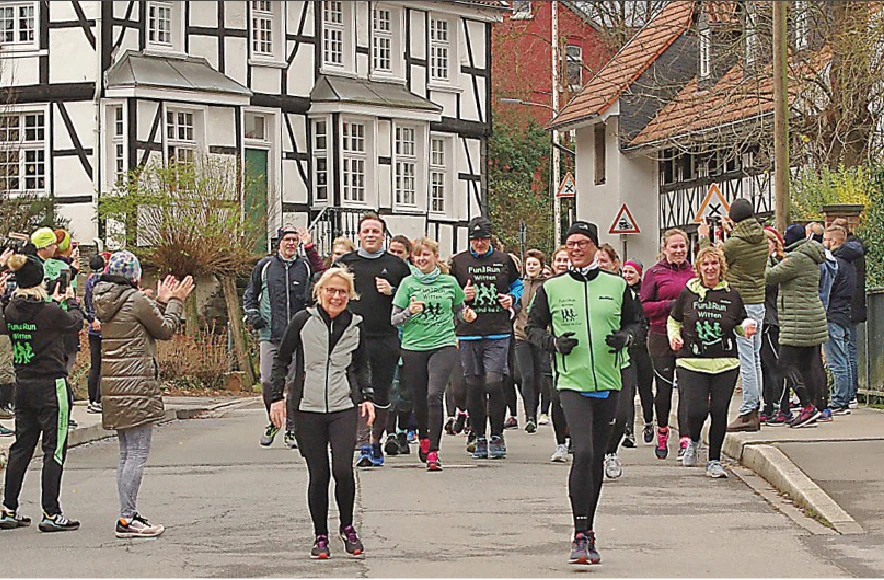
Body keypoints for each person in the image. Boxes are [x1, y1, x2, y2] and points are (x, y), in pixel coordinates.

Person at [527, 221, 641, 565]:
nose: (575, 249)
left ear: (594, 246)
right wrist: (553, 343)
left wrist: (626, 339)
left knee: (596, 457)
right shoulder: (553, 287)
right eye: (570, 244)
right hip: (572, 382)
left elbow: (637, 324)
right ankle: (579, 534)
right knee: (585, 453)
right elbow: (531, 327)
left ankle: (589, 529)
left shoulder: (617, 286)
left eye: (582, 243)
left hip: (609, 381)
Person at [268, 268, 375, 559]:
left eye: (342, 291)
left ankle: (348, 527)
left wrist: (367, 397)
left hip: (342, 406)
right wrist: (275, 398)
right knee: (319, 475)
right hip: (307, 408)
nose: (337, 296)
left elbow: (362, 363)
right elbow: (282, 359)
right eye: (331, 290)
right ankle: (320, 535)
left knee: (343, 469)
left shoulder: (355, 324)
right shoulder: (302, 321)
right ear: (320, 292)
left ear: (350, 295)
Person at [92, 251, 193, 538]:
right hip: (136, 386)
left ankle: (127, 514)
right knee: (136, 452)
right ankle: (127, 518)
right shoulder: (135, 299)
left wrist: (159, 301)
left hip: (114, 386)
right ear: (135, 276)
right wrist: (176, 301)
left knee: (126, 453)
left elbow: (141, 323)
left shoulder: (106, 299)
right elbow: (164, 329)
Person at [0, 253, 84, 532]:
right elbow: (74, 322)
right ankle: (51, 511)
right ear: (41, 281)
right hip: (51, 385)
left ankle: (8, 508)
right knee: (54, 449)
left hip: (23, 385)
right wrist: (70, 300)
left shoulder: (11, 310)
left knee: (21, 447)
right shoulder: (49, 311)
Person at [667, 246, 757, 478]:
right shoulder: (688, 293)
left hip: (724, 362)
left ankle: (714, 460)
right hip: (691, 361)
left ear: (721, 267)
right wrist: (674, 336)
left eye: (714, 264)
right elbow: (674, 320)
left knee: (719, 410)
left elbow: (739, 322)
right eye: (705, 264)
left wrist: (747, 327)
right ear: (698, 268)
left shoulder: (731, 295)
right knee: (696, 410)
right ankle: (694, 440)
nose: (710, 268)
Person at [392, 238, 476, 471]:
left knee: (434, 395)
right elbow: (394, 319)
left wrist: (467, 316)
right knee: (419, 399)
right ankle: (424, 438)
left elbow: (459, 311)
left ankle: (434, 452)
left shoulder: (449, 283)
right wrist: (410, 311)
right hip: (414, 346)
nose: (421, 259)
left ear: (435, 257)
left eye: (426, 255)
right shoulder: (407, 284)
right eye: (417, 256)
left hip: (444, 344)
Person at [337, 213, 411, 467]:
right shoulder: (344, 264)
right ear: (359, 235)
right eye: (366, 231)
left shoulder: (397, 266)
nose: (370, 235)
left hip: (385, 338)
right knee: (354, 391)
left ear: (383, 235)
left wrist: (392, 292)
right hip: (351, 338)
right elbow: (326, 295)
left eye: (375, 232)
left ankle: (375, 442)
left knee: (381, 393)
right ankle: (362, 444)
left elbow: (411, 299)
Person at [244, 225, 325, 449]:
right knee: (268, 380)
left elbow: (322, 276)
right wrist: (253, 316)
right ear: (279, 242)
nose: (290, 243)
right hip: (270, 333)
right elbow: (250, 295)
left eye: (294, 240)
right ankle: (273, 421)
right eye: (287, 239)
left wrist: (310, 247)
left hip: (298, 334)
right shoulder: (265, 266)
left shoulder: (305, 267)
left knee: (293, 382)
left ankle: (291, 429)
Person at [449, 217, 523, 460]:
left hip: (497, 329)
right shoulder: (458, 262)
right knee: (474, 386)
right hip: (469, 332)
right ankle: (479, 435)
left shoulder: (504, 261)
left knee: (494, 382)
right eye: (475, 239)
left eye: (483, 239)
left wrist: (511, 299)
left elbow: (518, 285)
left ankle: (497, 435)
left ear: (491, 239)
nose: (479, 243)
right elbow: (450, 294)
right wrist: (463, 295)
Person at [698, 200, 768, 433]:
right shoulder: (763, 238)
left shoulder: (735, 244)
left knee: (746, 359)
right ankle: (757, 405)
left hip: (741, 303)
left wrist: (704, 237)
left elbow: (712, 259)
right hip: (758, 301)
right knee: (755, 357)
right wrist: (731, 232)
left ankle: (749, 409)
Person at [640, 229, 695, 460]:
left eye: (682, 246)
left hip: (688, 337)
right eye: (674, 246)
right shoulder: (654, 274)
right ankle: (662, 431)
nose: (679, 250)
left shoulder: (694, 273)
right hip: (661, 335)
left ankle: (685, 439)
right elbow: (643, 307)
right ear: (664, 249)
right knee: (663, 391)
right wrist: (671, 305)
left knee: (687, 389)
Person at [767, 225, 829, 428]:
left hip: (798, 320)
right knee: (807, 365)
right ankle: (813, 407)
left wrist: (763, 260)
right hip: (811, 317)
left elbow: (770, 276)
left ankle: (807, 405)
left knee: (784, 364)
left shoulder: (796, 258)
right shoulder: (809, 255)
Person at [760, 227, 803, 426]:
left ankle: (782, 408)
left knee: (778, 366)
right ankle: (769, 405)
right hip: (763, 321)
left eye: (766, 243)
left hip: (774, 321)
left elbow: (767, 285)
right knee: (766, 367)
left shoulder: (778, 266)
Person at [822, 224, 863, 415]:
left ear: (833, 241)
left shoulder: (835, 263)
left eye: (825, 240)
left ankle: (839, 399)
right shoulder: (851, 263)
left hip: (833, 313)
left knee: (836, 360)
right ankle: (845, 397)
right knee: (845, 357)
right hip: (844, 313)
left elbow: (829, 288)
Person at [513, 249, 549, 434]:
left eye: (535, 264)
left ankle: (544, 411)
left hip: (541, 335)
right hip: (521, 335)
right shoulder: (520, 285)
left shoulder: (547, 285)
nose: (532, 267)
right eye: (529, 264)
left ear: (541, 266)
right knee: (526, 376)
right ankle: (529, 416)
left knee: (542, 375)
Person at [622, 259, 653, 444]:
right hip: (627, 348)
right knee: (628, 390)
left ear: (639, 275)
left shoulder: (645, 293)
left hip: (645, 348)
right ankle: (629, 432)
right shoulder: (619, 292)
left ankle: (648, 422)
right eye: (624, 272)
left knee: (646, 390)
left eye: (631, 273)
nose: (627, 276)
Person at [547, 245, 571, 462]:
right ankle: (561, 443)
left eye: (567, 260)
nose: (563, 264)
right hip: (558, 354)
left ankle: (577, 439)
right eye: (560, 260)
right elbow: (533, 323)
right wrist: (552, 341)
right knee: (558, 398)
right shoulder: (548, 287)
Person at [83, 253, 110, 414]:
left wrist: (91, 319)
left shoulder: (88, 281)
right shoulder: (104, 280)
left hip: (93, 326)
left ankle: (91, 398)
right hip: (105, 325)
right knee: (104, 365)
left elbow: (87, 304)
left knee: (95, 365)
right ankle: (99, 400)